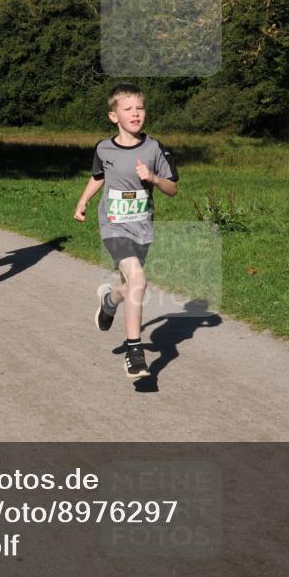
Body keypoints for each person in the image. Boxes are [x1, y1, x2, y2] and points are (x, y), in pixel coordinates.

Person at [74, 84, 179, 380]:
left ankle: (109, 302)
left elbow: (172, 189)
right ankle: (135, 354)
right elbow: (98, 176)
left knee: (129, 285)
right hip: (113, 226)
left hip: (142, 228)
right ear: (113, 116)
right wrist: (83, 201)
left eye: (140, 108)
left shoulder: (155, 149)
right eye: (128, 109)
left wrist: (154, 178)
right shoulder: (103, 148)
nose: (135, 114)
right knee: (140, 280)